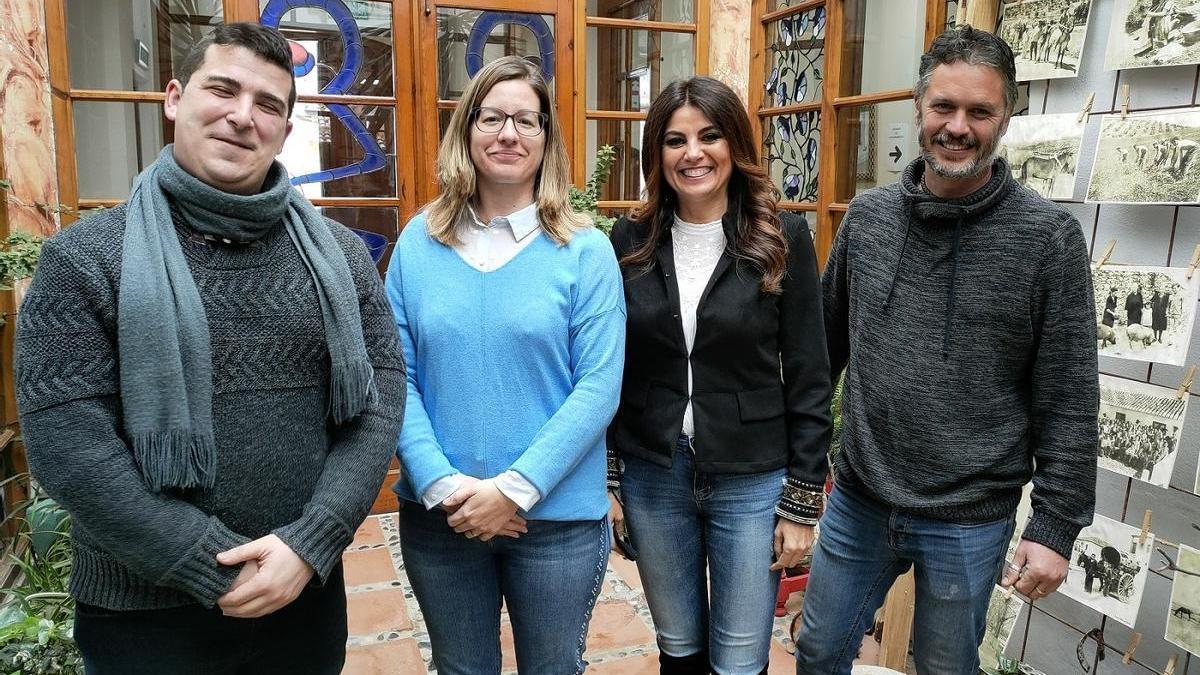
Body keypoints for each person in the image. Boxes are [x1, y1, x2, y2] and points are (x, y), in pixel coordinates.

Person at [14, 23, 404, 674]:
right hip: (143, 620)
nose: (242, 116)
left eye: (268, 104)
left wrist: (311, 542)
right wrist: (205, 562)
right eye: (222, 89)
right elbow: (69, 445)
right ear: (174, 97)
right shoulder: (82, 262)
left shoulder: (339, 256)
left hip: (301, 599)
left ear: (284, 128)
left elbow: (381, 396)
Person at [795, 26, 1098, 674]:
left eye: (979, 111)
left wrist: (1054, 525)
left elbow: (1069, 397)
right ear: (918, 107)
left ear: (1005, 117)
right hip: (860, 499)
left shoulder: (1048, 242)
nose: (958, 126)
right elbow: (818, 355)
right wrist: (799, 469)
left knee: (944, 668)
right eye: (944, 107)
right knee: (818, 652)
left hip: (969, 518)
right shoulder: (868, 221)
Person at [386, 55, 625, 674]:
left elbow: (598, 387)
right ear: (467, 132)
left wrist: (512, 492)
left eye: (526, 120)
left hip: (557, 523)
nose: (509, 134)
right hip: (443, 520)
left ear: (547, 138)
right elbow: (394, 378)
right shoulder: (419, 243)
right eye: (491, 118)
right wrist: (445, 487)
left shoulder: (585, 251)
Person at [606, 76, 831, 675]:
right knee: (679, 646)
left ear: (734, 144)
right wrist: (610, 476)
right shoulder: (629, 239)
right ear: (658, 152)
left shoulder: (782, 238)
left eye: (709, 136)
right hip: (654, 471)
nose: (693, 153)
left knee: (737, 657)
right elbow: (609, 366)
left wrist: (803, 502)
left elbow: (811, 373)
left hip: (752, 476)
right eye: (675, 140)